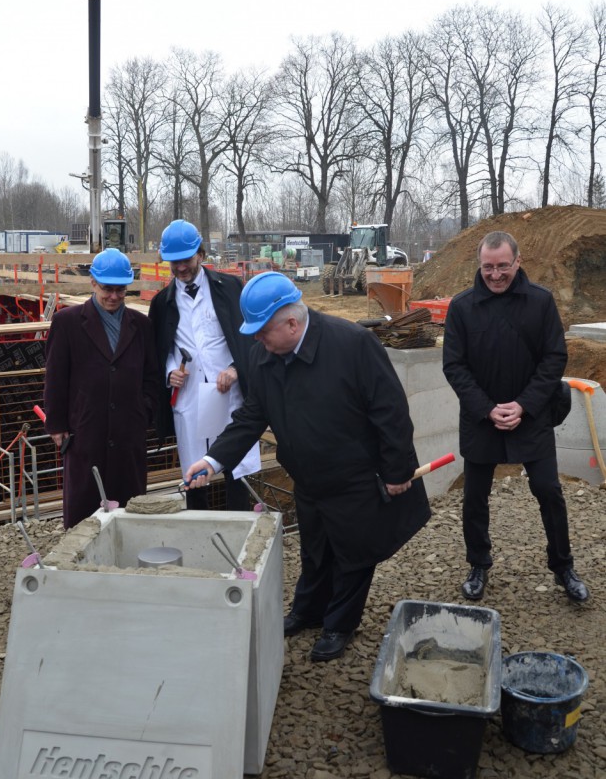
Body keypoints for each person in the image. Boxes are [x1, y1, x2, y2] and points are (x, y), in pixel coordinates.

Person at [183, 270, 431, 662]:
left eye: (263, 332)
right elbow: (253, 414)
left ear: (292, 323)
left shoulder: (353, 345)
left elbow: (391, 412)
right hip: (308, 475)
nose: (256, 340)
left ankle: (339, 625)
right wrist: (215, 459)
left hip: (354, 476)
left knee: (354, 554)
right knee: (315, 550)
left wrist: (397, 470)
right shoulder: (264, 353)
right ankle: (308, 611)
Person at [442, 230, 589, 603]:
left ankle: (563, 566)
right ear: (480, 264)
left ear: (518, 262)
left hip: (531, 414)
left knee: (548, 490)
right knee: (475, 496)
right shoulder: (462, 307)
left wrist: (523, 405)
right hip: (481, 418)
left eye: (503, 266)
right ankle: (478, 564)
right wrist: (487, 409)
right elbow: (455, 366)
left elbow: (554, 358)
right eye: (488, 267)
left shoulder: (540, 303)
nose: (495, 274)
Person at [149, 220, 259, 510]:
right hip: (191, 396)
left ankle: (240, 527)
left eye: (185, 260)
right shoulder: (162, 302)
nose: (180, 268)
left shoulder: (231, 288)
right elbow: (161, 348)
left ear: (200, 253)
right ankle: (198, 527)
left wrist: (236, 369)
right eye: (173, 263)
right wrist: (170, 370)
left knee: (235, 462)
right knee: (195, 468)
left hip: (229, 393)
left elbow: (249, 338)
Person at [44, 248, 157, 529]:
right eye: (108, 289)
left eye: (121, 290)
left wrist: (145, 411)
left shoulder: (141, 325)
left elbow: (152, 376)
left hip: (128, 431)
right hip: (86, 430)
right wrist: (57, 424)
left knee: (128, 510)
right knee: (85, 508)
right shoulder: (67, 323)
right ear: (93, 283)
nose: (114, 297)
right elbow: (56, 376)